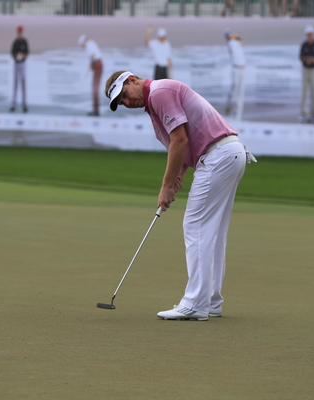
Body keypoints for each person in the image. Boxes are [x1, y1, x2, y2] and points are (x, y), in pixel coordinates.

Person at [104, 70, 256, 321]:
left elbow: (180, 140)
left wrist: (165, 186)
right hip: (229, 154)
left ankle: (195, 303)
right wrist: (178, 176)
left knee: (195, 225)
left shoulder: (160, 92)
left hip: (219, 156)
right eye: (121, 103)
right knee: (212, 233)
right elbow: (183, 146)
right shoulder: (154, 106)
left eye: (124, 95)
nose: (127, 103)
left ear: (133, 80)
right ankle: (210, 301)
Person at [299, 25, 314, 124]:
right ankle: (303, 114)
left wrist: (313, 60)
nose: (310, 36)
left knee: (313, 94)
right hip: (305, 70)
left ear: (313, 34)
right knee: (304, 93)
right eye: (308, 34)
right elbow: (301, 57)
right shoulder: (304, 45)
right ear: (306, 35)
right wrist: (307, 59)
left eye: (311, 34)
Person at [78, 34, 104, 117]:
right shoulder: (91, 44)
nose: (82, 46)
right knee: (94, 87)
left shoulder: (89, 44)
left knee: (94, 87)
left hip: (97, 65)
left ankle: (96, 110)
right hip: (97, 65)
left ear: (84, 42)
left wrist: (88, 69)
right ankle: (95, 109)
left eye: (82, 44)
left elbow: (93, 56)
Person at [224, 29, 246, 121]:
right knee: (235, 89)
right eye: (229, 35)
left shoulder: (236, 42)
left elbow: (241, 42)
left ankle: (238, 112)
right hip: (235, 69)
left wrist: (237, 36)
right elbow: (239, 40)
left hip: (242, 68)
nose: (231, 36)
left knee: (240, 90)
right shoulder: (230, 43)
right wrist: (236, 35)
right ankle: (231, 107)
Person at [10, 25, 29, 113]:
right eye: (19, 31)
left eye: (21, 31)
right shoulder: (15, 42)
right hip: (16, 64)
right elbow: (12, 53)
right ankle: (14, 104)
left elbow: (27, 53)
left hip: (23, 64)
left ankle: (24, 103)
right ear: (17, 32)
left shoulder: (24, 42)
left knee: (23, 83)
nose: (20, 33)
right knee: (16, 83)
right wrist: (17, 54)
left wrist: (22, 55)